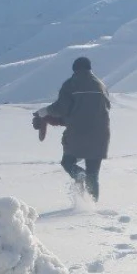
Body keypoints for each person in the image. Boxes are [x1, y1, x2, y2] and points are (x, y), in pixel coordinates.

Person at [34, 56, 111, 201]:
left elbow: (61, 108)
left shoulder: (71, 84)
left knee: (68, 162)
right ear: (90, 69)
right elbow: (104, 109)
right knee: (93, 173)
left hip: (78, 133)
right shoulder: (101, 85)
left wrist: (46, 112)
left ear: (74, 70)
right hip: (101, 135)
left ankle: (79, 176)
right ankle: (92, 206)